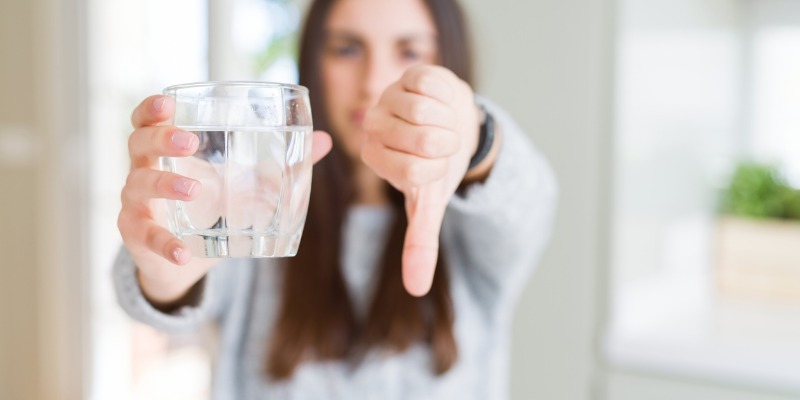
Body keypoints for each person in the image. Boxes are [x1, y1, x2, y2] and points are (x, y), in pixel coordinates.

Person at [114, 0, 558, 398]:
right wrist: (166, 271)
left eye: (409, 52)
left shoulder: (476, 221)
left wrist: (478, 136)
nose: (374, 82)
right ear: (312, 63)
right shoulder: (261, 207)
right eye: (347, 49)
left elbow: (529, 199)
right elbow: (155, 298)